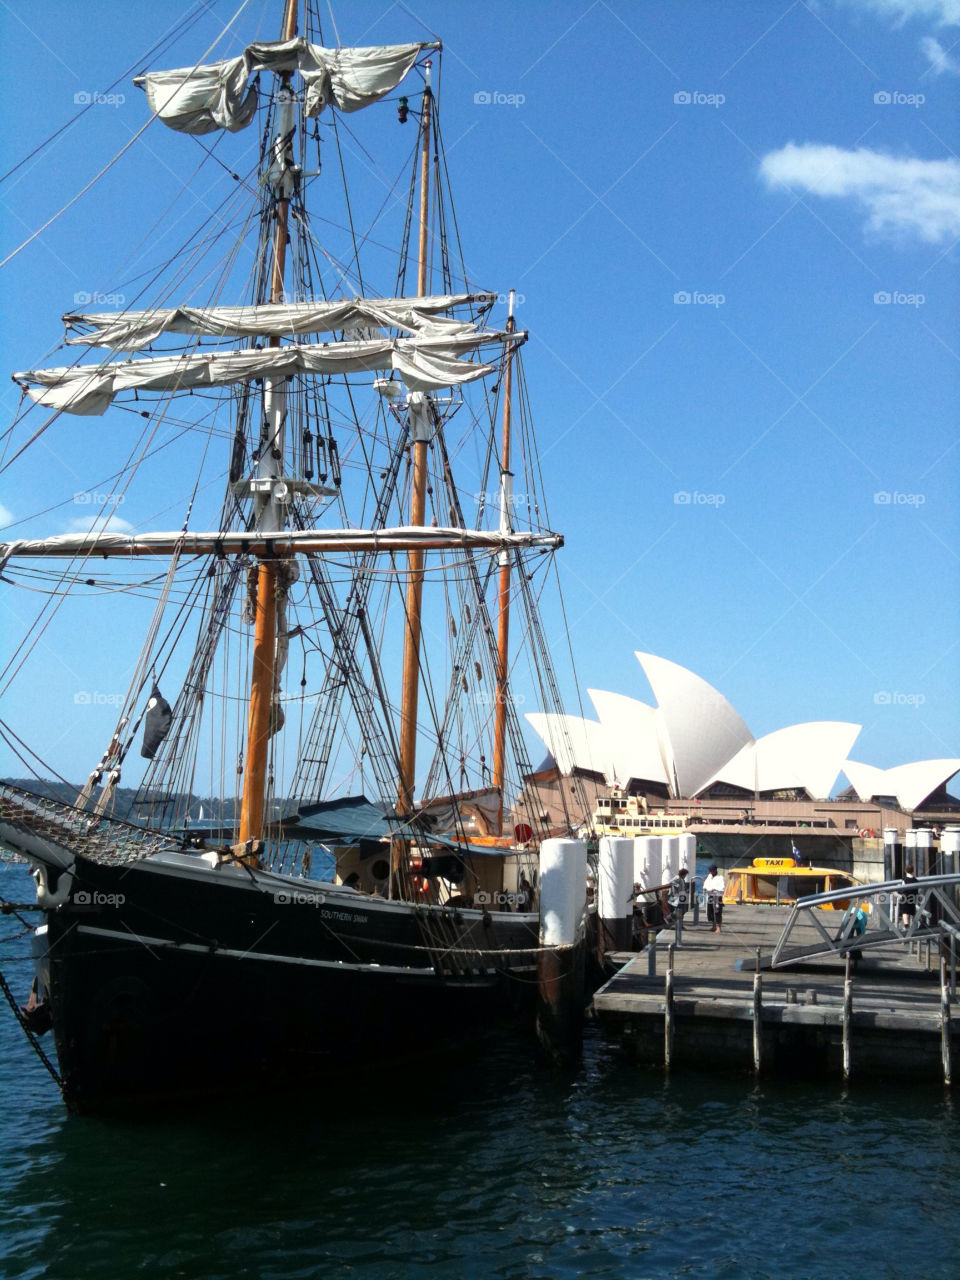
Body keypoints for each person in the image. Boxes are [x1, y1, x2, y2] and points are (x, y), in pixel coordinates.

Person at [703, 863, 725, 933]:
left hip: (717, 896)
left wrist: (714, 889)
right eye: (709, 870)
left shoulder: (720, 877)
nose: (710, 871)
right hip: (710, 895)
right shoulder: (709, 876)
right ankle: (713, 925)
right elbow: (706, 884)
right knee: (710, 911)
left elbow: (722, 887)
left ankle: (719, 927)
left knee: (717, 911)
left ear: (715, 870)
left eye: (711, 870)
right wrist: (705, 888)